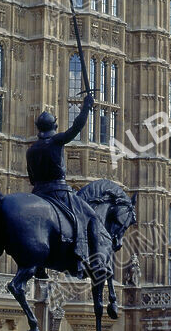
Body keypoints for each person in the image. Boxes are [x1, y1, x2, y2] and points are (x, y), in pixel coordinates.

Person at [27, 94, 111, 280]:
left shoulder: (31, 149)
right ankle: (82, 259)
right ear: (54, 126)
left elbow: (32, 178)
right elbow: (76, 128)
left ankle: (39, 265)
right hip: (59, 191)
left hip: (38, 193)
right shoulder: (56, 141)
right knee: (89, 217)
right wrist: (86, 108)